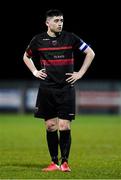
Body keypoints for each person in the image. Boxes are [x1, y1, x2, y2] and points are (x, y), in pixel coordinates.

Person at [23, 9, 95, 172]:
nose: (60, 23)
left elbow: (90, 53)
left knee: (64, 126)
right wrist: (35, 71)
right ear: (47, 23)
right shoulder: (38, 40)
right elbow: (26, 56)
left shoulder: (70, 38)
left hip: (66, 89)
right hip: (47, 89)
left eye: (61, 20)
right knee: (50, 126)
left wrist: (80, 73)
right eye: (56, 20)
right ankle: (54, 162)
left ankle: (65, 163)